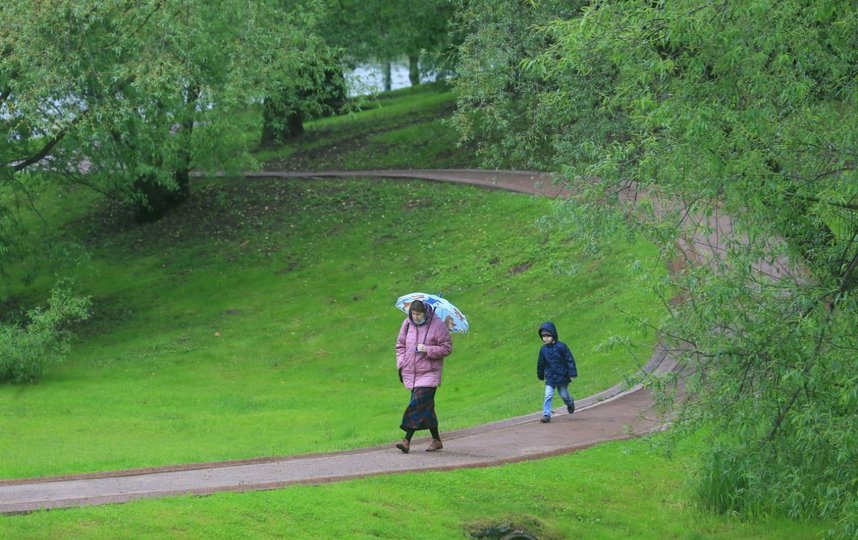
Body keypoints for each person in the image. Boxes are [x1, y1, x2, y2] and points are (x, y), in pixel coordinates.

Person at [394, 299, 452, 453]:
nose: (416, 317)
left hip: (429, 373)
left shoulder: (437, 325)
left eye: (418, 314)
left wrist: (428, 349)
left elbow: (446, 348)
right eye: (413, 314)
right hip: (412, 373)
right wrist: (401, 363)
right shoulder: (407, 324)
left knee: (416, 404)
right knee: (426, 408)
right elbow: (400, 345)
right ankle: (437, 440)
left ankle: (406, 440)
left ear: (425, 313)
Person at [536, 321, 577, 423]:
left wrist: (572, 372)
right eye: (543, 336)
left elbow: (569, 359)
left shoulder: (561, 347)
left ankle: (570, 403)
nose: (546, 338)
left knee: (564, 395)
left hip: (562, 376)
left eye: (548, 336)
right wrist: (540, 374)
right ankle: (546, 414)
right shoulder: (543, 349)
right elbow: (541, 363)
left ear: (553, 335)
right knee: (548, 395)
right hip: (550, 377)